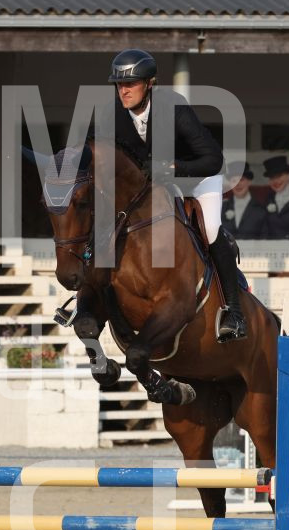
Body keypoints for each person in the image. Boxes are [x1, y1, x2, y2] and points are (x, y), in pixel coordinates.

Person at [101, 48, 247, 342]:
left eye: (130, 84)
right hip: (157, 184)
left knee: (209, 228)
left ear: (149, 83)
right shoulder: (112, 114)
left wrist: (174, 167)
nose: (123, 91)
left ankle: (234, 312)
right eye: (119, 84)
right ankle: (89, 300)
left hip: (198, 178)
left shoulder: (174, 107)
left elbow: (213, 159)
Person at [222, 161, 266, 240]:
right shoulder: (222, 208)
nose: (237, 184)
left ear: (249, 182)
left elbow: (265, 239)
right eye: (234, 181)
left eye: (241, 180)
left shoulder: (261, 209)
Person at [262, 155, 289, 239]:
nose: (276, 181)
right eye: (272, 178)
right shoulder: (268, 199)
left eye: (279, 176)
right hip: (272, 246)